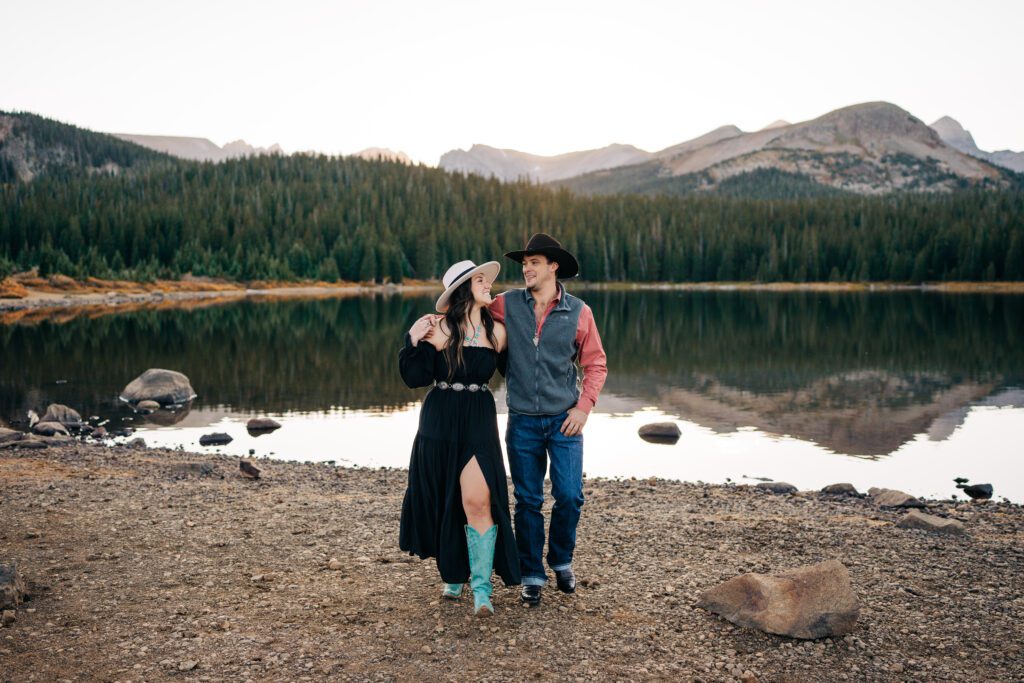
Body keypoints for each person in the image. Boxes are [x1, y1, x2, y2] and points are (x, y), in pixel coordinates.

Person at [490, 233, 608, 606]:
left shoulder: (579, 311)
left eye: (534, 262)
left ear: (553, 266)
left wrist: (583, 407)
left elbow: (595, 364)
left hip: (564, 421)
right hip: (522, 420)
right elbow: (470, 316)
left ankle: (560, 559)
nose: (526, 268)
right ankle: (532, 575)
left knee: (570, 496)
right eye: (524, 263)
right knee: (526, 500)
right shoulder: (505, 304)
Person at [398, 259, 521, 616]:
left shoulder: (498, 332)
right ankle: (453, 575)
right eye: (481, 280)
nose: (489, 285)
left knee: (478, 500)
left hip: (479, 420)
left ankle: (482, 589)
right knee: (444, 498)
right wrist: (413, 340)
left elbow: (521, 372)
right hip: (439, 421)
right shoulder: (437, 328)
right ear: (465, 289)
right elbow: (413, 377)